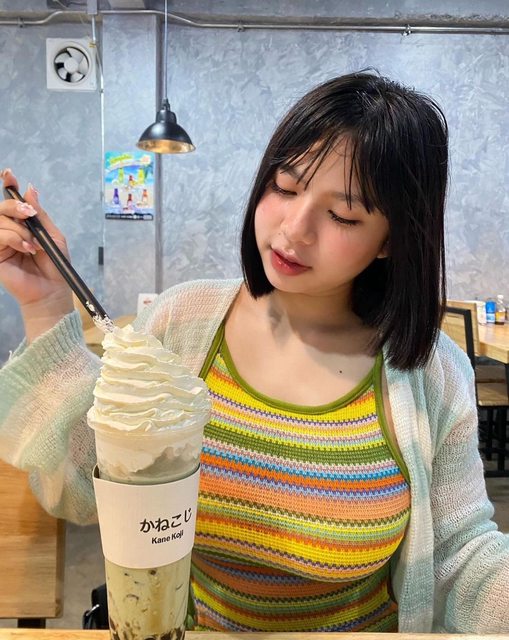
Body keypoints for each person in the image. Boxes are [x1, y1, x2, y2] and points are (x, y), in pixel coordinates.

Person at [0, 71, 508, 633]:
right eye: (285, 187)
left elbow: (461, 552)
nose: (294, 229)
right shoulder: (182, 323)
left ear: (391, 239)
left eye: (343, 215)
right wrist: (45, 304)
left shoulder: (430, 371)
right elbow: (84, 489)